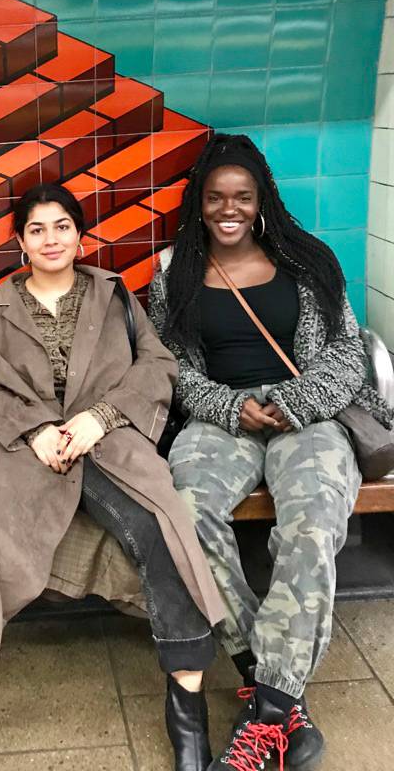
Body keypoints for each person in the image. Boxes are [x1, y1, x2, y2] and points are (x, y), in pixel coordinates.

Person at [0, 183, 226, 771]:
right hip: (19, 451)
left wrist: (101, 416)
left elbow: (158, 364)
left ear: (79, 234)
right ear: (20, 243)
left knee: (165, 526)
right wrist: (35, 427)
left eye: (61, 226)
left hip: (108, 443)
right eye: (36, 229)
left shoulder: (113, 297)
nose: (51, 239)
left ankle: (189, 721)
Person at [149, 133, 393, 771]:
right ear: (198, 203)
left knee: (313, 522)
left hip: (306, 418)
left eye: (241, 197)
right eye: (215, 197)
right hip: (220, 417)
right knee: (184, 512)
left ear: (261, 201)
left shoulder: (309, 261)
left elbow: (346, 354)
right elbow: (168, 366)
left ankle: (265, 717)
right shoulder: (173, 270)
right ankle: (276, 689)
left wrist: (295, 400)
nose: (227, 209)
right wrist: (231, 407)